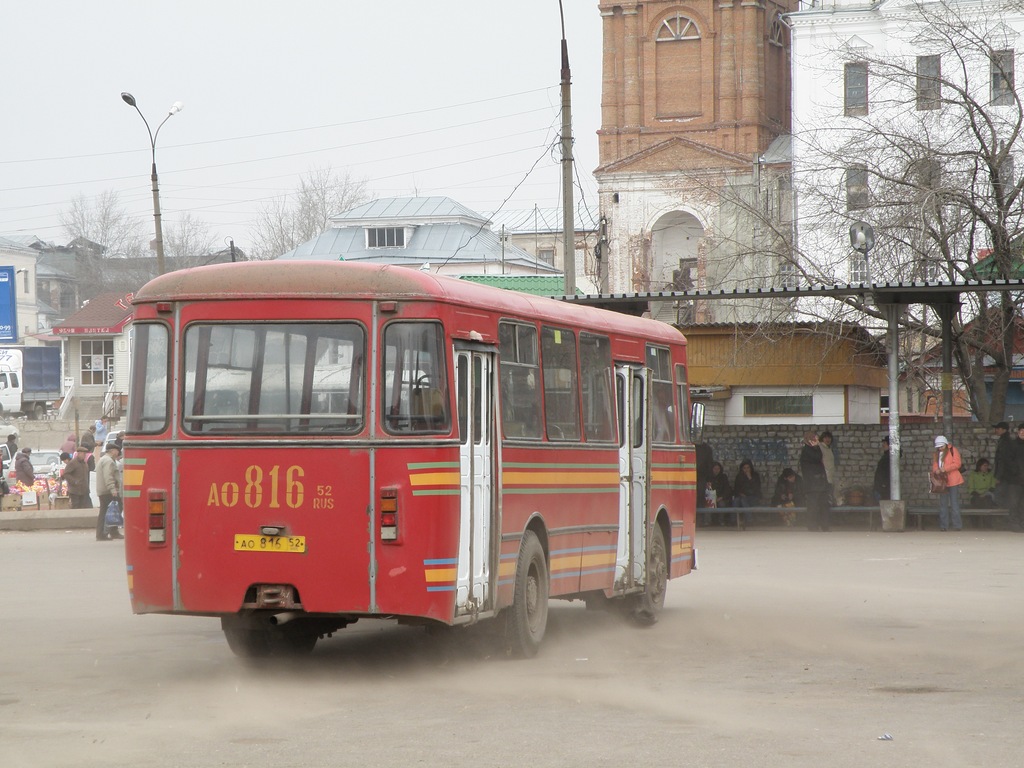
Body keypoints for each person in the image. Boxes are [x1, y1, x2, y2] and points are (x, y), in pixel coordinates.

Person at [800, 430, 831, 531]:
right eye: (816, 439)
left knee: (824, 506)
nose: (818, 441)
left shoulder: (814, 449)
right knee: (813, 507)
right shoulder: (807, 450)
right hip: (813, 485)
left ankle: (824, 526)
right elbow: (817, 457)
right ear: (810, 440)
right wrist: (816, 447)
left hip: (820, 484)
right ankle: (812, 526)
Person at [931, 435, 964, 531]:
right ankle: (943, 526)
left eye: (941, 446)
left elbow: (957, 464)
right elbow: (935, 464)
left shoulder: (953, 450)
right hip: (942, 481)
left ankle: (957, 526)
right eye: (938, 447)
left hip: (953, 480)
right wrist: (936, 470)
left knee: (954, 503)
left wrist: (944, 469)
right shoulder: (936, 453)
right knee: (943, 504)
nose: (940, 448)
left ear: (946, 444)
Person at [95, 442, 123, 541]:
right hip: (107, 491)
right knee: (109, 511)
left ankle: (111, 531)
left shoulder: (104, 459)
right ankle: (103, 533)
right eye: (117, 450)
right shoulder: (108, 461)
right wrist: (112, 489)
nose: (118, 452)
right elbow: (108, 476)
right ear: (112, 451)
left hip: (103, 490)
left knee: (109, 511)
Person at [733, 459, 762, 528]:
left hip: (753, 496)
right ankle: (733, 520)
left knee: (743, 500)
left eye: (748, 468)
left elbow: (757, 489)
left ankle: (750, 520)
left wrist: (750, 478)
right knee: (736, 500)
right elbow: (736, 488)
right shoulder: (739, 476)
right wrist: (740, 493)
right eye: (744, 468)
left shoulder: (755, 475)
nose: (746, 470)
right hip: (741, 496)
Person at [819, 430, 837, 504]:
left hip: (830, 477)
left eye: (829, 438)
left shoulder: (829, 448)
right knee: (826, 498)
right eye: (825, 438)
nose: (827, 439)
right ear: (822, 439)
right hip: (824, 478)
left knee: (830, 497)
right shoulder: (820, 447)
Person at [873, 436, 891, 503]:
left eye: (885, 443)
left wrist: (883, 484)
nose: (883, 445)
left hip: (883, 487)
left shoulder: (888, 457)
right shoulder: (886, 456)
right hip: (882, 486)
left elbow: (886, 472)